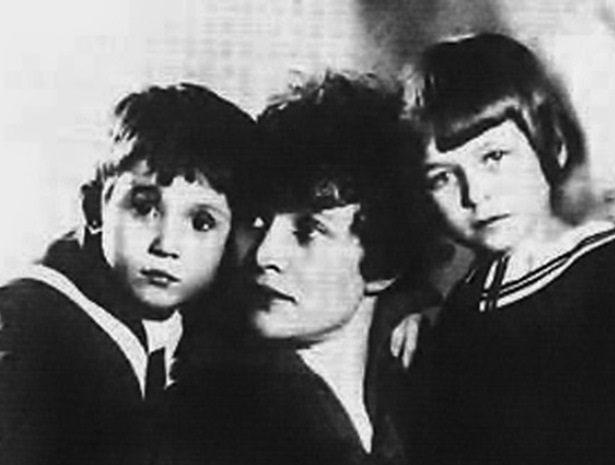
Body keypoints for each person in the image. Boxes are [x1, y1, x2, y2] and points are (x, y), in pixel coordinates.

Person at [403, 33, 615, 464]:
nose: (475, 194)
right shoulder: (459, 316)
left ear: (552, 145)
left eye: (493, 157)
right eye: (443, 177)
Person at [161, 72, 430, 465]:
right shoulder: (199, 418)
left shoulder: (430, 378)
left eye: (309, 230)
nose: (264, 254)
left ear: (384, 263)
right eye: (256, 221)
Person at [0, 83, 258, 464]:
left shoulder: (175, 328)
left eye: (201, 222)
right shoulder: (33, 324)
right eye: (143, 206)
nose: (166, 244)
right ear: (94, 209)